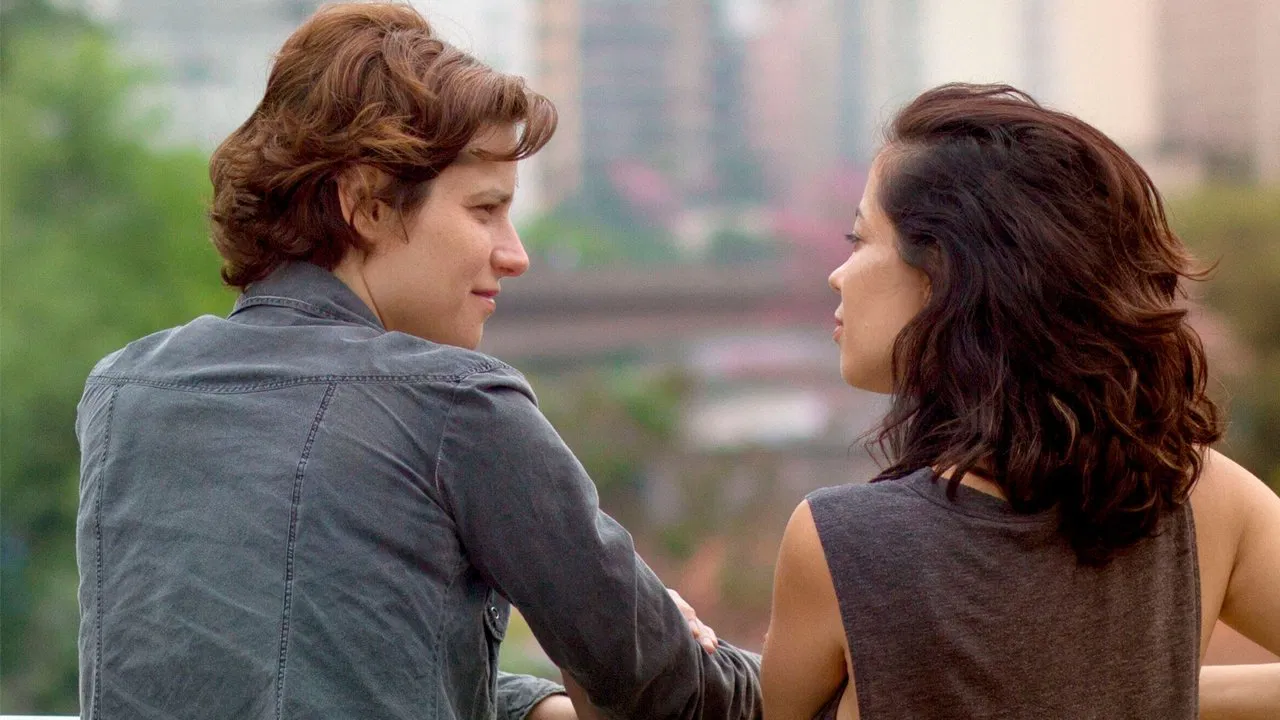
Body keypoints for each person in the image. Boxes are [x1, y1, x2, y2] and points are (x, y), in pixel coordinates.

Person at [74, 4, 760, 719]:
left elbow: (288, 667)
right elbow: (666, 687)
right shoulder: (456, 404)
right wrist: (810, 671)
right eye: (485, 210)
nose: (516, 254)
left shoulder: (124, 391)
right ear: (367, 205)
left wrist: (529, 705)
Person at [760, 83, 1280, 719]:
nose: (838, 273)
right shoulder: (1200, 496)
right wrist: (1153, 689)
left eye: (859, 238)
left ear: (942, 275)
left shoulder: (842, 542)